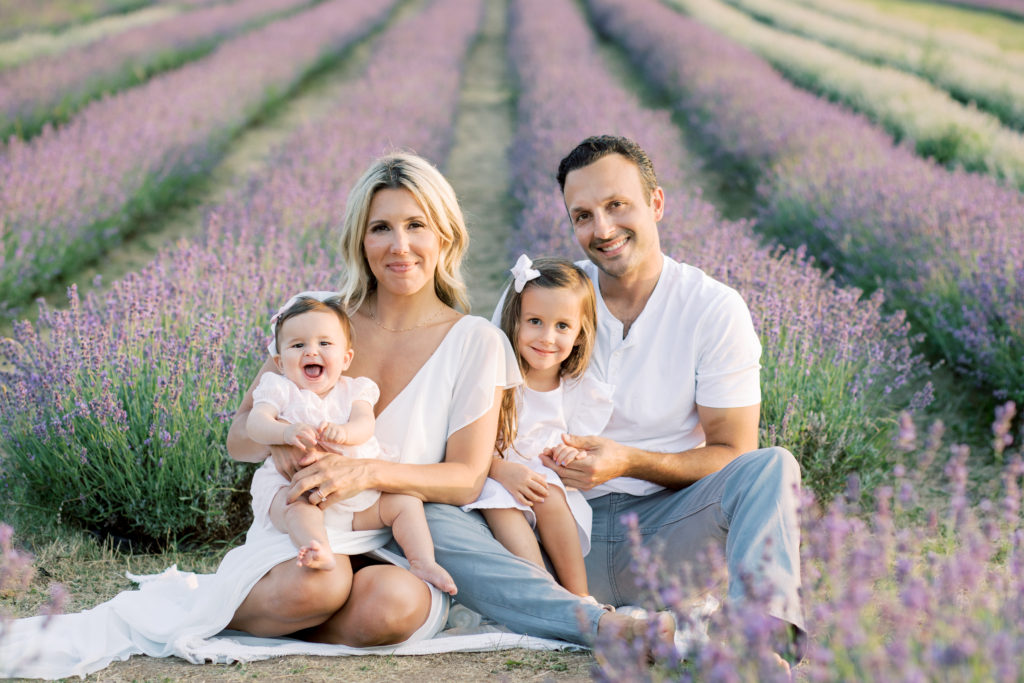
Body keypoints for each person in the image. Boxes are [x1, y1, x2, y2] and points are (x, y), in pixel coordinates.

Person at [0, 153, 659, 681]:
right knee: (323, 580)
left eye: (416, 225)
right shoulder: (318, 320)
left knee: (394, 605)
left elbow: (463, 478)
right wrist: (283, 444)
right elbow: (238, 439)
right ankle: (286, 604)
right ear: (359, 237)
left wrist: (365, 469)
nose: (399, 245)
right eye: (381, 227)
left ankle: (286, 621)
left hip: (399, 528)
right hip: (307, 523)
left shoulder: (474, 342)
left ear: (445, 234)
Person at [538, 135, 805, 660]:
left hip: (665, 537)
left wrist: (627, 462)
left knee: (772, 466)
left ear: (656, 203)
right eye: (583, 215)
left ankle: (756, 643)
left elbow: (732, 451)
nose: (603, 229)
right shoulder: (546, 299)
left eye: (617, 206)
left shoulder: (712, 308)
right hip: (556, 539)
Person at [246, 292, 456, 594]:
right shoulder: (280, 389)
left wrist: (345, 434)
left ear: (346, 359)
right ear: (279, 362)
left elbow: (364, 423)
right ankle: (316, 548)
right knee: (297, 509)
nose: (311, 352)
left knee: (405, 503)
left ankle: (422, 560)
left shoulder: (355, 390)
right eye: (297, 345)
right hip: (299, 489)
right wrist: (284, 432)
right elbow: (256, 422)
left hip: (355, 498)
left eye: (324, 343)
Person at [462, 255, 612, 599]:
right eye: (535, 321)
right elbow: (468, 445)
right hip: (493, 475)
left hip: (545, 477)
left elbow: (579, 440)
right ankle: (545, 596)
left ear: (579, 334)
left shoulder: (576, 387)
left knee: (550, 494)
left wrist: (569, 451)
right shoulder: (498, 380)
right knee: (503, 508)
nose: (547, 337)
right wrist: (502, 471)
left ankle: (579, 596)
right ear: (515, 321)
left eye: (562, 326)